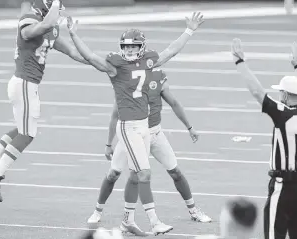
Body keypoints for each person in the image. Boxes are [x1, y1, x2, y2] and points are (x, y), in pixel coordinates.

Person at [66, 12, 204, 235]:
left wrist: (189, 31)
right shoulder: (115, 67)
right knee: (142, 174)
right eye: (126, 47)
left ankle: (128, 220)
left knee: (136, 174)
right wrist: (73, 35)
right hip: (129, 127)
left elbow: (170, 51)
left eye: (133, 47)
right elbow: (91, 57)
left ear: (141, 47)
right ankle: (153, 221)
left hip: (145, 127)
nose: (129, 50)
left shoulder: (148, 62)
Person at [0, 0, 92, 202]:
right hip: (24, 83)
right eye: (54, 7)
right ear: (45, 5)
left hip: (27, 85)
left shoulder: (50, 29)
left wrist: (96, 60)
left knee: (22, 129)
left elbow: (74, 53)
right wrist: (56, 2)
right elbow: (43, 25)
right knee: (28, 134)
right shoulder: (29, 20)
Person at [87, 69, 212, 235]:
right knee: (115, 174)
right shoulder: (126, 79)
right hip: (133, 134)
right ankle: (98, 211)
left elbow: (174, 103)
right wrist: (108, 143)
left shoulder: (157, 77)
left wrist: (190, 127)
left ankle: (193, 210)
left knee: (175, 171)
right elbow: (115, 114)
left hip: (154, 133)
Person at [231, 39, 297, 239]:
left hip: (284, 186)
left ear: (286, 96)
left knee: (273, 234)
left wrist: (240, 63)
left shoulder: (285, 115)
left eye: (281, 93)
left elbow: (257, 92)